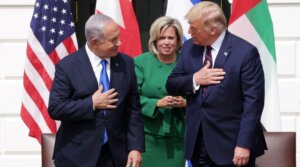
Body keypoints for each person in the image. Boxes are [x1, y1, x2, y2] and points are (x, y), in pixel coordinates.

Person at [166, 2, 267, 167]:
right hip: (198, 144)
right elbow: (172, 84)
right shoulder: (189, 47)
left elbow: (253, 103)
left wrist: (243, 145)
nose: (189, 32)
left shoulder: (245, 53)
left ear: (212, 30)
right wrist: (195, 79)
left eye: (194, 28)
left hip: (232, 145)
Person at [48, 14, 145, 167]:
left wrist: (135, 147)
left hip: (115, 155)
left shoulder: (126, 63)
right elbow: (56, 108)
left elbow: (133, 110)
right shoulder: (67, 66)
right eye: (113, 40)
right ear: (94, 43)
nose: (119, 43)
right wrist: (91, 103)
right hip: (77, 156)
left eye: (118, 37)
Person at [134, 16, 186, 167]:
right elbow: (132, 98)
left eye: (171, 37)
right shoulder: (140, 62)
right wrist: (157, 103)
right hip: (147, 137)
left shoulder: (187, 63)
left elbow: (201, 96)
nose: (166, 42)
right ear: (155, 40)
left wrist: (184, 103)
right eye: (162, 37)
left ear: (178, 40)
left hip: (178, 137)